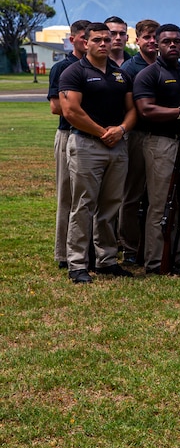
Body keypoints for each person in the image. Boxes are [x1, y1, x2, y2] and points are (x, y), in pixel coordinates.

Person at [57, 22, 137, 283]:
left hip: (117, 146)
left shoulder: (120, 74)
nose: (104, 43)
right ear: (85, 43)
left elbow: (132, 109)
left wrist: (122, 129)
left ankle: (106, 259)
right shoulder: (73, 72)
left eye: (108, 38)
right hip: (87, 145)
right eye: (97, 40)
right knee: (83, 205)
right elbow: (71, 112)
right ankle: (77, 263)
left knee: (111, 205)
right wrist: (103, 132)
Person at [132, 23, 180, 274]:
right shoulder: (150, 74)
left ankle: (179, 255)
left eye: (176, 41)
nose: (172, 45)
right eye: (166, 41)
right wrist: (179, 112)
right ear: (157, 45)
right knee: (161, 204)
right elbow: (146, 109)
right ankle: (155, 260)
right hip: (160, 143)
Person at [48, 19, 90, 270]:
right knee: (67, 195)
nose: (87, 42)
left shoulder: (99, 67)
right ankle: (63, 252)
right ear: (72, 39)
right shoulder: (64, 67)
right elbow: (56, 107)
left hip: (92, 137)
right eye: (83, 37)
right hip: (68, 133)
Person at [117, 18, 159, 264]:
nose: (152, 41)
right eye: (147, 37)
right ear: (137, 40)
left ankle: (150, 245)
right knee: (132, 194)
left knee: (156, 195)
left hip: (162, 137)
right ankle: (130, 247)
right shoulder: (130, 69)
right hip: (137, 135)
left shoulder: (167, 67)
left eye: (155, 36)